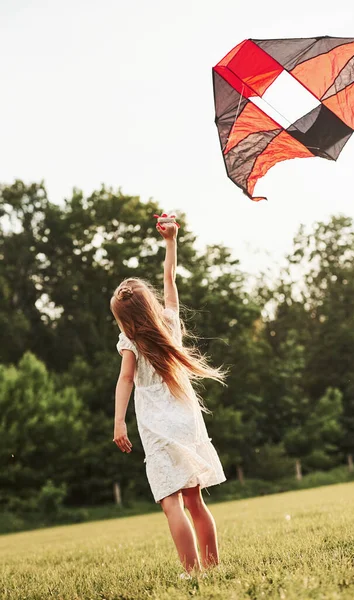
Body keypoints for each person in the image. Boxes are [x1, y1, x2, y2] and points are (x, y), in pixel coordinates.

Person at [110, 217, 228, 577]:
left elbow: (125, 380)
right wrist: (171, 240)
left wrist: (118, 422)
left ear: (123, 319)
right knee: (194, 499)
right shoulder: (169, 324)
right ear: (149, 305)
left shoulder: (130, 341)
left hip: (158, 425)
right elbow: (170, 279)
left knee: (170, 501)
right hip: (185, 416)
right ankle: (212, 567)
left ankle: (192, 573)